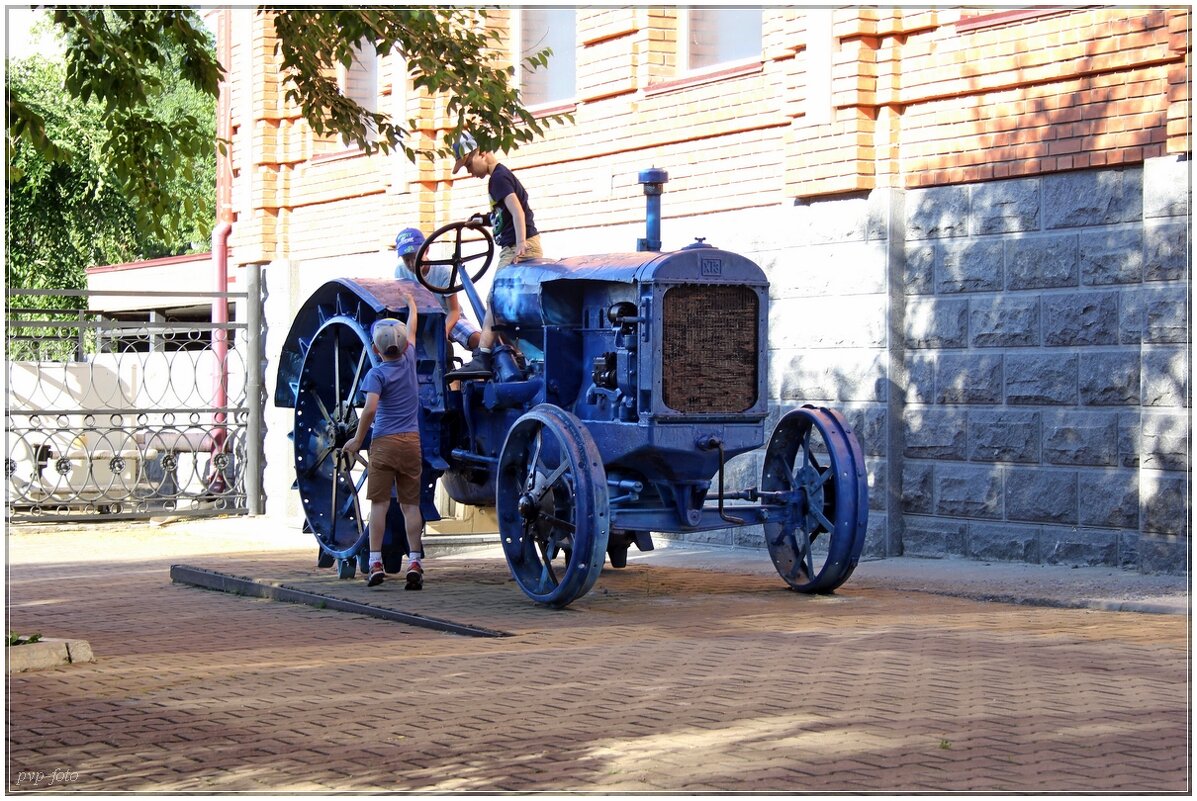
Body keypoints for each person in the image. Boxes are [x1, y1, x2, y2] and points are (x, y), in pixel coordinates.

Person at [342, 295, 425, 590]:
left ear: (375, 349)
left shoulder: (376, 374)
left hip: (385, 442)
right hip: (411, 442)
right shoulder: (410, 360)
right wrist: (413, 307)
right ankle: (415, 560)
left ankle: (375, 562)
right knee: (410, 505)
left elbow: (371, 409)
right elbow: (412, 331)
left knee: (379, 504)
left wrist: (357, 439)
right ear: (404, 346)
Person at [446, 132, 542, 379]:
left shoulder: (498, 178)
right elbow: (504, 216)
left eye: (468, 164)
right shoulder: (499, 179)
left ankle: (483, 356)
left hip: (517, 247)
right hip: (515, 244)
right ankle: (517, 356)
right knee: (507, 306)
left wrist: (521, 244)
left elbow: (517, 211)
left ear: (481, 152)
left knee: (495, 300)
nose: (470, 171)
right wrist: (483, 219)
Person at [393, 227, 481, 351]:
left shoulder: (442, 272)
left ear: (426, 250)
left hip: (447, 317)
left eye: (415, 257)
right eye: (407, 260)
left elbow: (454, 311)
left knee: (477, 340)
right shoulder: (401, 271)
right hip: (420, 318)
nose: (412, 264)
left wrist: (444, 331)